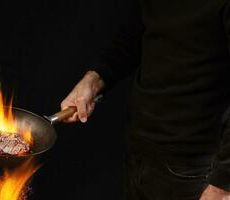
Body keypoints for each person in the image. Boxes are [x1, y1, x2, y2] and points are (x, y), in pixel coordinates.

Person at [60, 0, 230, 199]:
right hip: (141, 149)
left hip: (194, 168)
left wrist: (222, 186)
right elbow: (133, 36)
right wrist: (92, 80)